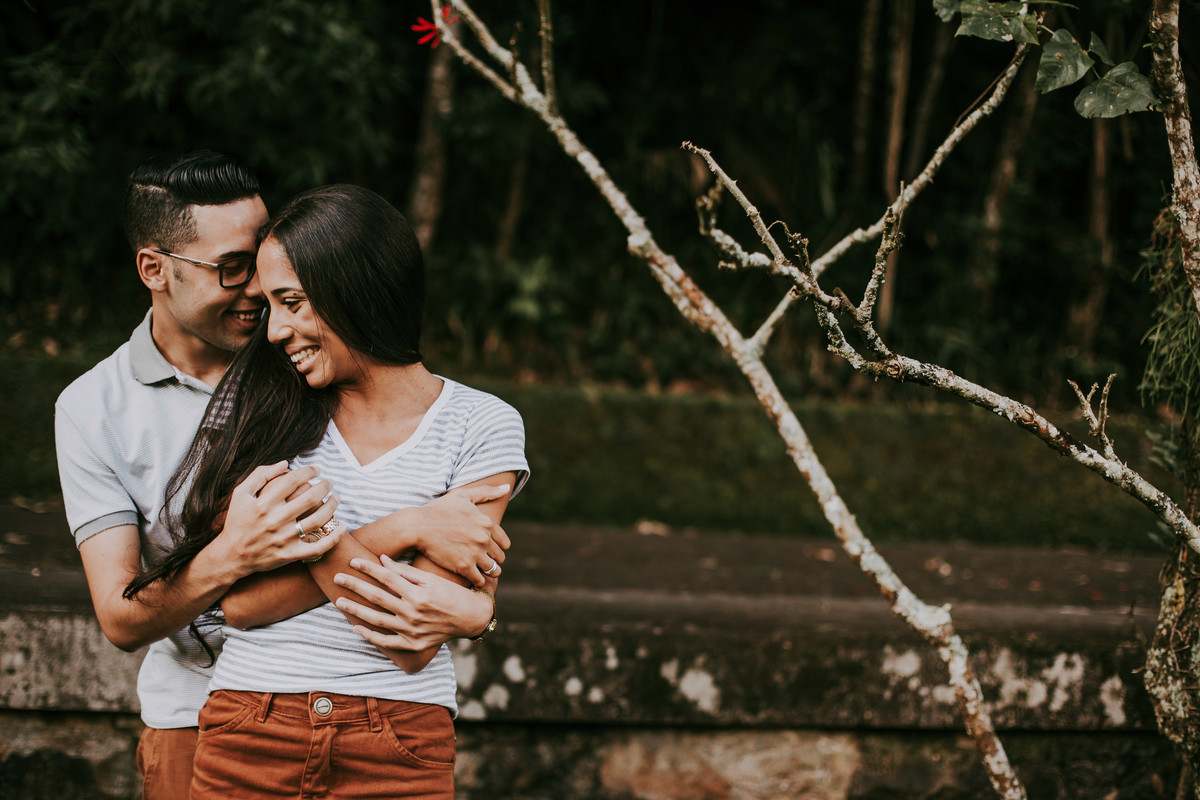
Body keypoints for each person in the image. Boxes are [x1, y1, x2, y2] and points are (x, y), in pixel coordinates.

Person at [54, 152, 510, 800]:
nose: (260, 306)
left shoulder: (301, 380)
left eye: (274, 284)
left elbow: (417, 626)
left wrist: (475, 609)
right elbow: (175, 612)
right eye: (233, 269)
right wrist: (407, 527)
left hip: (388, 723)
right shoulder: (103, 408)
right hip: (211, 708)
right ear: (154, 269)